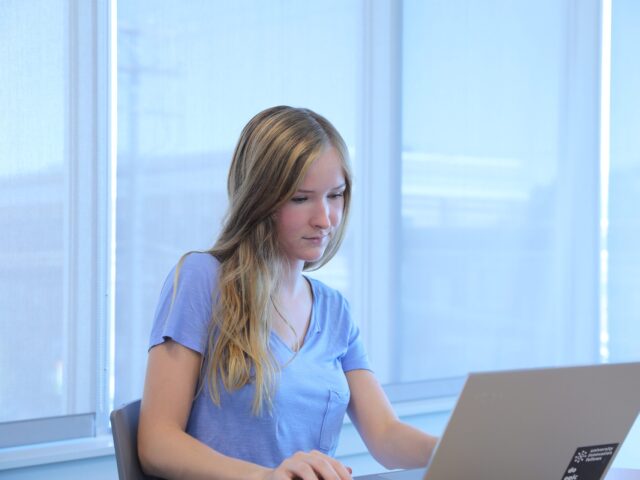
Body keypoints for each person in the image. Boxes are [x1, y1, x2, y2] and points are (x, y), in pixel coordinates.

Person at [138, 106, 438, 480]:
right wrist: (266, 477)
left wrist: (454, 450)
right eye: (301, 198)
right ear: (260, 199)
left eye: (336, 195)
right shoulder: (201, 279)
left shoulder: (334, 310)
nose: (325, 218)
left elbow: (385, 436)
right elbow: (156, 442)